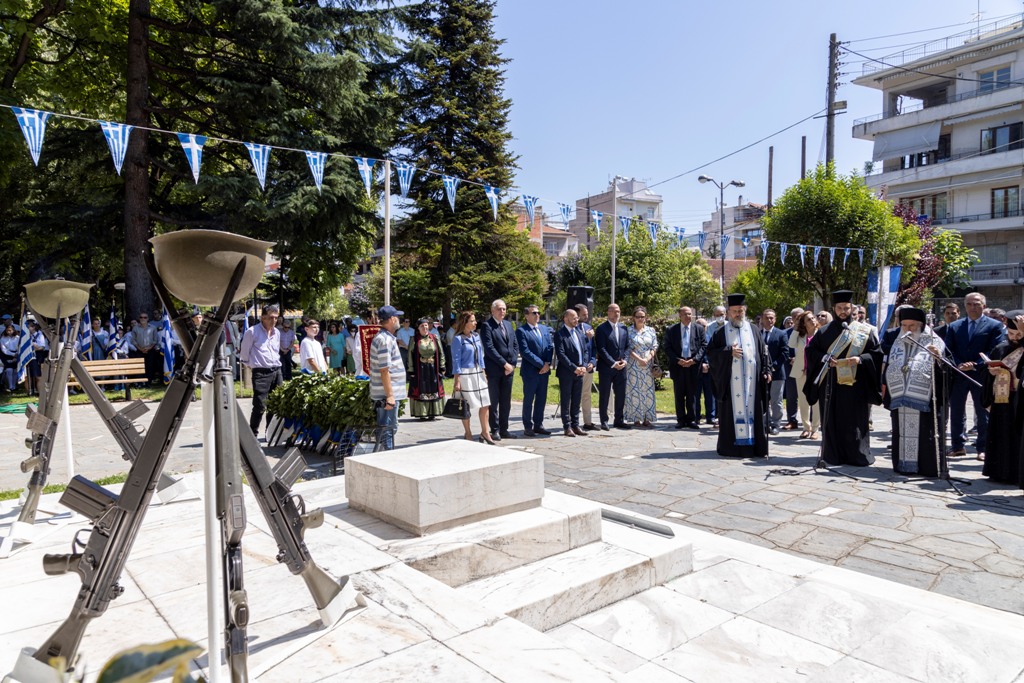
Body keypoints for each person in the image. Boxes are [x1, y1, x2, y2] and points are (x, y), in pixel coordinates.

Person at [804, 290, 883, 467]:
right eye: (839, 308)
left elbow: (876, 353)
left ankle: (857, 455)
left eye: (846, 308)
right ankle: (832, 455)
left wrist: (860, 359)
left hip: (856, 385)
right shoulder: (823, 332)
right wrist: (825, 358)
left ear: (851, 308)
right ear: (833, 308)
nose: (843, 312)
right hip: (830, 384)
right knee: (832, 419)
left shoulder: (863, 331)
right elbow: (811, 351)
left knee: (854, 419)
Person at [882, 307, 948, 477]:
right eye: (904, 325)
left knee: (925, 435)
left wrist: (939, 358)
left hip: (925, 400)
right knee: (901, 432)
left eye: (912, 326)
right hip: (901, 398)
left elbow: (948, 369)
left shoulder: (935, 341)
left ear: (921, 325)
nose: (907, 329)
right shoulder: (896, 341)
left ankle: (927, 467)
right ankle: (903, 465)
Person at [706, 293, 770, 458]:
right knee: (731, 415)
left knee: (754, 413)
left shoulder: (754, 330)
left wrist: (767, 370)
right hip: (731, 387)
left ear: (745, 310)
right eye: (734, 311)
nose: (738, 314)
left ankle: (756, 448)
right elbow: (711, 355)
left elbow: (764, 353)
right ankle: (731, 448)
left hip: (752, 385)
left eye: (740, 311)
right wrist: (728, 352)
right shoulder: (721, 333)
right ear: (728, 312)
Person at [943, 292, 1006, 459]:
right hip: (958, 374)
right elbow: (948, 350)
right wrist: (959, 364)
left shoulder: (994, 326)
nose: (973, 307)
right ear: (965, 306)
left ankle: (983, 448)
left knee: (982, 411)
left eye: (977, 304)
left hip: (981, 374)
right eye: (969, 304)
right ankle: (957, 446)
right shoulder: (955, 326)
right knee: (956, 410)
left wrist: (975, 364)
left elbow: (995, 349)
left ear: (983, 306)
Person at [981, 311, 1024, 483]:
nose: (1014, 337)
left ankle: (1015, 474)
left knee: (1016, 438)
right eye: (1011, 333)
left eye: (1018, 334)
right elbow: (989, 374)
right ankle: (997, 471)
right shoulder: (1000, 348)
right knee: (1000, 436)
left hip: (1018, 400)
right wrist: (991, 372)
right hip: (1000, 401)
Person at [238, 305, 283, 437]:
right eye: (270, 318)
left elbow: (276, 351)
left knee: (276, 404)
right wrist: (253, 367)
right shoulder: (252, 332)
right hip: (261, 372)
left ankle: (270, 433)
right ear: (263, 317)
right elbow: (244, 354)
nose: (273, 320)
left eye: (276, 318)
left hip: (276, 371)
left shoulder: (277, 333)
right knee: (260, 405)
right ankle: (253, 435)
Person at [451, 310, 494, 444]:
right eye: (472, 321)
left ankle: (485, 431)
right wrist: (457, 380)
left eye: (475, 321)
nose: (475, 323)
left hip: (478, 373)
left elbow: (481, 356)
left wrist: (484, 372)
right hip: (466, 374)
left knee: (486, 402)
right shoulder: (458, 339)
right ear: (465, 323)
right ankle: (468, 432)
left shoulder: (476, 336)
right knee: (466, 405)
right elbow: (456, 360)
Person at [479, 299, 519, 440]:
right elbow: (489, 349)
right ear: (492, 310)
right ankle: (494, 429)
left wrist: (512, 364)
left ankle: (504, 429)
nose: (502, 311)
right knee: (494, 401)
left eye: (504, 309)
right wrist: (504, 364)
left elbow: (515, 345)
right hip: (494, 370)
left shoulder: (508, 325)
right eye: (499, 309)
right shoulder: (487, 326)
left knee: (505, 401)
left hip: (509, 370)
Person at [368, 305, 407, 450]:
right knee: (388, 428)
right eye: (397, 317)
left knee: (388, 427)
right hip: (386, 396)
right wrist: (390, 396)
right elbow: (384, 371)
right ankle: (386, 457)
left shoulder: (387, 338)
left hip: (387, 394)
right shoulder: (384, 340)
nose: (399, 320)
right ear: (391, 319)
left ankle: (384, 454)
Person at [665, 305, 706, 429]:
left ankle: (691, 419)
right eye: (685, 314)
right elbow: (667, 347)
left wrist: (694, 360)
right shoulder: (671, 330)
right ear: (680, 316)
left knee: (692, 394)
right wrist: (678, 360)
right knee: (679, 394)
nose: (688, 316)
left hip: (693, 366)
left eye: (690, 314)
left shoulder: (698, 329)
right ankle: (681, 420)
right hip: (678, 366)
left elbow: (704, 345)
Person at [515, 304, 554, 436]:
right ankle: (528, 426)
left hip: (544, 371)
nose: (537, 315)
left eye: (538, 313)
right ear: (526, 315)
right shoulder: (522, 331)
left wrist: (547, 363)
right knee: (529, 399)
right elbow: (525, 351)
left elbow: (549, 346)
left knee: (541, 399)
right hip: (531, 371)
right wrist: (541, 364)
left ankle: (539, 424)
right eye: (534, 313)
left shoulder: (544, 329)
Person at [554, 308, 591, 437]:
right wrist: (574, 368)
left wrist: (584, 366)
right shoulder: (560, 334)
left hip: (580, 372)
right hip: (567, 373)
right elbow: (561, 355)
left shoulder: (579, 333)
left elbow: (585, 351)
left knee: (576, 400)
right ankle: (567, 426)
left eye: (577, 317)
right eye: (574, 317)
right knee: (566, 400)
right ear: (566, 319)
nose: (577, 320)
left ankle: (576, 425)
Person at [595, 303, 631, 430]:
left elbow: (627, 347)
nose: (617, 314)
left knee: (621, 394)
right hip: (606, 368)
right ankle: (604, 420)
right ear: (608, 312)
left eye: (618, 311)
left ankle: (619, 420)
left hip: (622, 368)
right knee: (604, 395)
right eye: (614, 311)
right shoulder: (601, 329)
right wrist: (613, 363)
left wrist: (625, 360)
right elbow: (601, 349)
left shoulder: (624, 328)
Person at [624, 306, 658, 428]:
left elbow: (654, 346)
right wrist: (639, 359)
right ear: (633, 318)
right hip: (634, 365)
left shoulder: (651, 331)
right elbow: (627, 348)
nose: (640, 319)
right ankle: (636, 418)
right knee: (634, 391)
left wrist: (647, 359)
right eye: (637, 317)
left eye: (642, 317)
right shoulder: (628, 331)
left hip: (647, 366)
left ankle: (647, 418)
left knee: (647, 391)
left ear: (646, 318)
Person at [788, 311, 820, 439]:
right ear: (804, 323)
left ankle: (816, 429)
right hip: (801, 371)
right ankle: (806, 428)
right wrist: (795, 328)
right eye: (808, 319)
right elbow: (790, 344)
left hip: (816, 372)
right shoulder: (801, 336)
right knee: (803, 401)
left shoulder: (820, 334)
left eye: (813, 318)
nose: (812, 320)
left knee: (816, 401)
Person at [407, 317, 446, 420]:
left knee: (433, 388)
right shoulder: (414, 339)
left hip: (433, 368)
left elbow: (441, 353)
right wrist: (411, 370)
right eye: (422, 326)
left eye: (426, 325)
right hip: (421, 368)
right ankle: (422, 412)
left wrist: (442, 367)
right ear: (418, 328)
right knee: (422, 389)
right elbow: (410, 355)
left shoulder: (435, 337)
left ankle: (433, 412)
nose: (425, 327)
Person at [758, 309, 789, 435]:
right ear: (762, 319)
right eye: (767, 317)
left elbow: (784, 353)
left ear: (775, 319)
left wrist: (771, 367)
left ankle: (775, 424)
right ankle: (765, 423)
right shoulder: (758, 334)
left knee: (776, 400)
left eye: (772, 318)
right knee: (764, 399)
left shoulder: (781, 334)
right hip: (762, 374)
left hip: (777, 373)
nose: (769, 320)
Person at [701, 305, 727, 427]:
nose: (719, 317)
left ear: (725, 314)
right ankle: (714, 416)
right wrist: (707, 362)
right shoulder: (710, 328)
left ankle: (725, 417)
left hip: (728, 363)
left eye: (721, 314)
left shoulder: (730, 326)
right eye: (717, 315)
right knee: (714, 391)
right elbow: (707, 347)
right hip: (714, 364)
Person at [574, 303, 599, 431]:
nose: (586, 316)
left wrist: (593, 362)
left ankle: (588, 422)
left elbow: (593, 348)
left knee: (586, 395)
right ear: (576, 314)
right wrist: (586, 337)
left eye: (587, 314)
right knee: (574, 396)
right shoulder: (572, 328)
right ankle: (574, 423)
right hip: (576, 369)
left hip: (588, 368)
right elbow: (576, 345)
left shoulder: (589, 327)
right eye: (584, 314)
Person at [127, 311, 161, 384]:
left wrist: (149, 348)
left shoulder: (153, 328)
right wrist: (140, 348)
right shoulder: (135, 328)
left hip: (150, 350)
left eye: (145, 317)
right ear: (139, 319)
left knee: (150, 366)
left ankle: (148, 382)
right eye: (141, 317)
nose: (143, 319)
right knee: (140, 367)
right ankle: (140, 382)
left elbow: (155, 340)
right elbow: (133, 340)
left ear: (147, 319)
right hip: (139, 350)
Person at [1, 323, 19, 391]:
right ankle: (10, 386)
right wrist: (12, 355)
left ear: (13, 330)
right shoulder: (3, 338)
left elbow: (20, 347)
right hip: (7, 355)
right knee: (9, 370)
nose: (9, 332)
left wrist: (16, 355)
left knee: (15, 371)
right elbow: (4, 349)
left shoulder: (17, 338)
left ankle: (14, 386)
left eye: (10, 330)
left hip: (17, 354)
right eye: (8, 330)